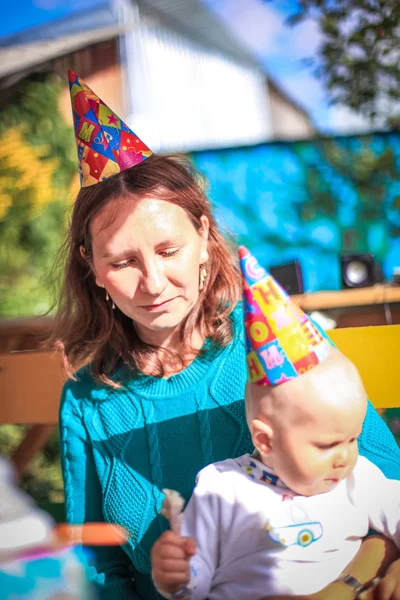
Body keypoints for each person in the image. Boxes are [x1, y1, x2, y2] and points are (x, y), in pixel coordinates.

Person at [57, 71, 400, 599]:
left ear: (202, 234)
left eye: (168, 250)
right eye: (123, 261)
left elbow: (384, 476)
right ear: (93, 268)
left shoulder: (276, 347)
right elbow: (99, 565)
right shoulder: (87, 400)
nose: (152, 283)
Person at [151, 248, 400, 599]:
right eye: (328, 444)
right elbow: (195, 582)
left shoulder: (357, 478)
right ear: (265, 441)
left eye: (353, 438)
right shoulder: (221, 488)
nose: (346, 456)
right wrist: (175, 575)